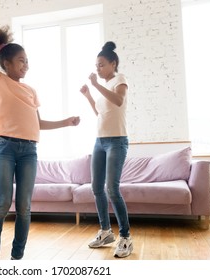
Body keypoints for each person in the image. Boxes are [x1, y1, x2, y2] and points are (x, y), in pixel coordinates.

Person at [0, 0, 80, 260]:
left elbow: (38, 123)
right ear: (6, 64)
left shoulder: (31, 90)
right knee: (2, 204)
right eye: (21, 61)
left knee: (24, 207)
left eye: (27, 61)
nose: (26, 65)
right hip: (6, 148)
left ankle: (17, 257)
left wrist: (65, 122)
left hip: (29, 151)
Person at [79, 41, 133, 258]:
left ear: (113, 63)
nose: (98, 68)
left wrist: (95, 86)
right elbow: (100, 113)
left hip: (117, 141)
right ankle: (105, 231)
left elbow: (118, 101)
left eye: (101, 65)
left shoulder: (120, 80)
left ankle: (126, 237)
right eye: (96, 65)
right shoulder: (102, 89)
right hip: (100, 141)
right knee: (96, 187)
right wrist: (88, 96)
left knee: (112, 188)